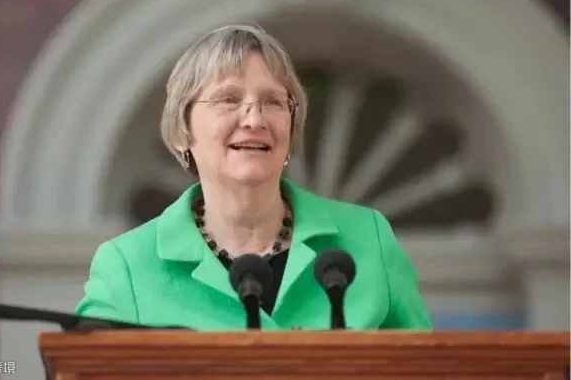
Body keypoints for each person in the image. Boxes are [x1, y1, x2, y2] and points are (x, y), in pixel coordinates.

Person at [74, 24, 432, 330]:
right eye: (228, 100)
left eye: (273, 102)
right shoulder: (128, 265)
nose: (254, 119)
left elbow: (429, 368)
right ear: (182, 130)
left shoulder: (368, 239)